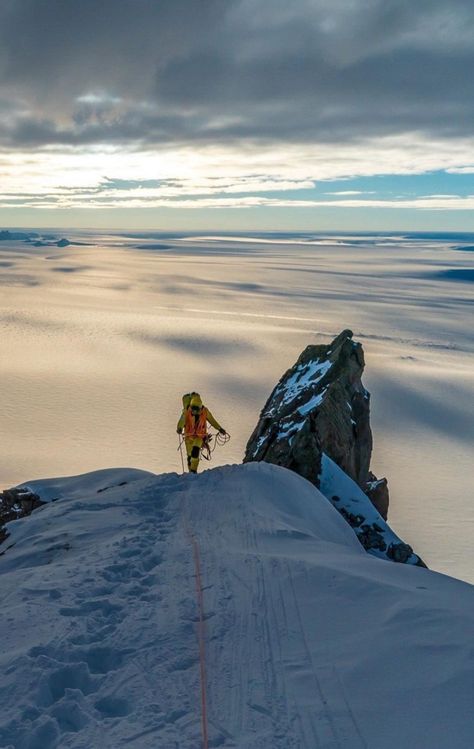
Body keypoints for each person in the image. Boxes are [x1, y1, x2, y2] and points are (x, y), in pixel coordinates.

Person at [177, 393, 226, 473]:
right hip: (189, 437)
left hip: (200, 437)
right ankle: (191, 472)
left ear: (200, 408)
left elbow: (212, 421)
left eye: (196, 410)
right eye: (193, 409)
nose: (194, 411)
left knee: (195, 451)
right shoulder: (187, 412)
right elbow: (182, 421)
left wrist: (219, 428)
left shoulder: (205, 412)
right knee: (190, 456)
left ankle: (193, 471)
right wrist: (179, 428)